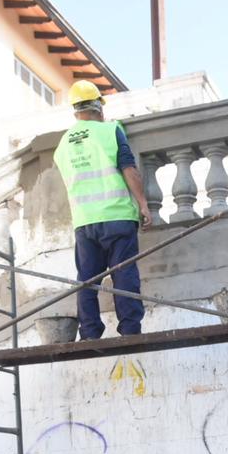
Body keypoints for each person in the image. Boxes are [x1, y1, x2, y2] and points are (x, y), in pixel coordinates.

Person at [52, 80, 154, 340]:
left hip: (84, 221)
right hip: (117, 215)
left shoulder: (62, 145)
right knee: (124, 274)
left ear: (75, 110)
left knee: (87, 280)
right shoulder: (110, 131)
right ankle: (130, 330)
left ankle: (89, 332)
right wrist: (143, 203)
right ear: (98, 106)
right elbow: (129, 169)